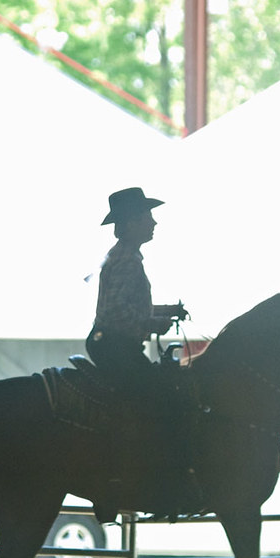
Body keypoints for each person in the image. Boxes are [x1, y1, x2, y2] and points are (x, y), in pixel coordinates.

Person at [86, 187, 200, 512]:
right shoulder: (127, 261)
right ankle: (143, 479)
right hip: (115, 345)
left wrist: (164, 312)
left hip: (109, 343)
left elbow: (126, 307)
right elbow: (119, 313)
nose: (153, 223)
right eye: (147, 217)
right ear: (133, 222)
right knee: (162, 399)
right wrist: (153, 323)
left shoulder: (122, 255)